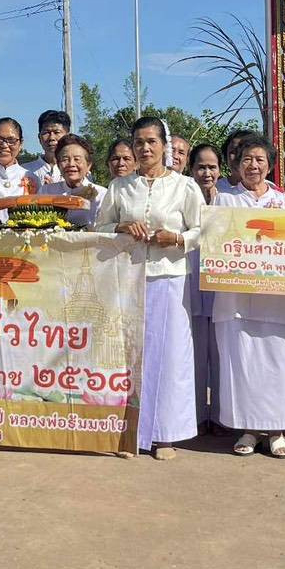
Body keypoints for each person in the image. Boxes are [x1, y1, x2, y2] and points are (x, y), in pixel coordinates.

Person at [95, 116, 203, 459]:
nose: (144, 148)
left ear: (164, 145)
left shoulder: (184, 186)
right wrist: (123, 226)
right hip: (128, 278)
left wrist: (179, 238)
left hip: (169, 277)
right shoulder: (119, 186)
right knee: (129, 355)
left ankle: (165, 435)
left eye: (151, 142)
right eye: (139, 142)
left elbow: (203, 230)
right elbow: (102, 227)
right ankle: (129, 434)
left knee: (168, 356)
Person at [213, 135, 285, 458]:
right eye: (247, 159)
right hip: (235, 298)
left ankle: (277, 430)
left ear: (270, 165)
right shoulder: (224, 200)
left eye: (260, 160)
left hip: (275, 299)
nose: (253, 165)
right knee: (243, 363)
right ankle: (248, 429)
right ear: (236, 164)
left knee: (278, 363)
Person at [185, 142, 222, 429]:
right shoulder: (184, 195)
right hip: (191, 284)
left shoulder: (229, 201)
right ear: (191, 169)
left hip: (223, 289)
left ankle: (222, 415)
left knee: (222, 355)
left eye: (212, 167)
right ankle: (195, 415)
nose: (206, 173)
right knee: (195, 355)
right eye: (201, 167)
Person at [41, 134, 103, 227]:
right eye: (65, 159)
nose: (71, 164)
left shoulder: (102, 195)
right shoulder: (46, 192)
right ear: (58, 165)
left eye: (77, 159)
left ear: (89, 165)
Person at [24, 110, 70, 188]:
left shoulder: (77, 171)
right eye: (46, 132)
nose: (51, 138)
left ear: (67, 136)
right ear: (39, 137)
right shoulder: (25, 171)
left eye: (57, 132)